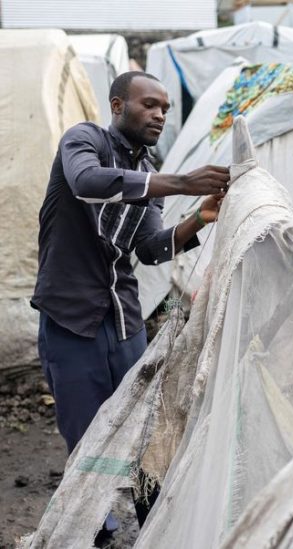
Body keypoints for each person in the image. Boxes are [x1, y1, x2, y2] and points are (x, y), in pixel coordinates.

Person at [31, 71, 230, 543]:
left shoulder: (147, 165)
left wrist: (199, 216)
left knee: (145, 429)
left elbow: (150, 248)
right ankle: (94, 528)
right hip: (71, 318)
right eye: (149, 105)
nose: (160, 114)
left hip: (124, 319)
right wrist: (180, 182)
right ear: (117, 106)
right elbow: (86, 182)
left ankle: (154, 522)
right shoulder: (84, 141)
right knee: (86, 434)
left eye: (165, 107)